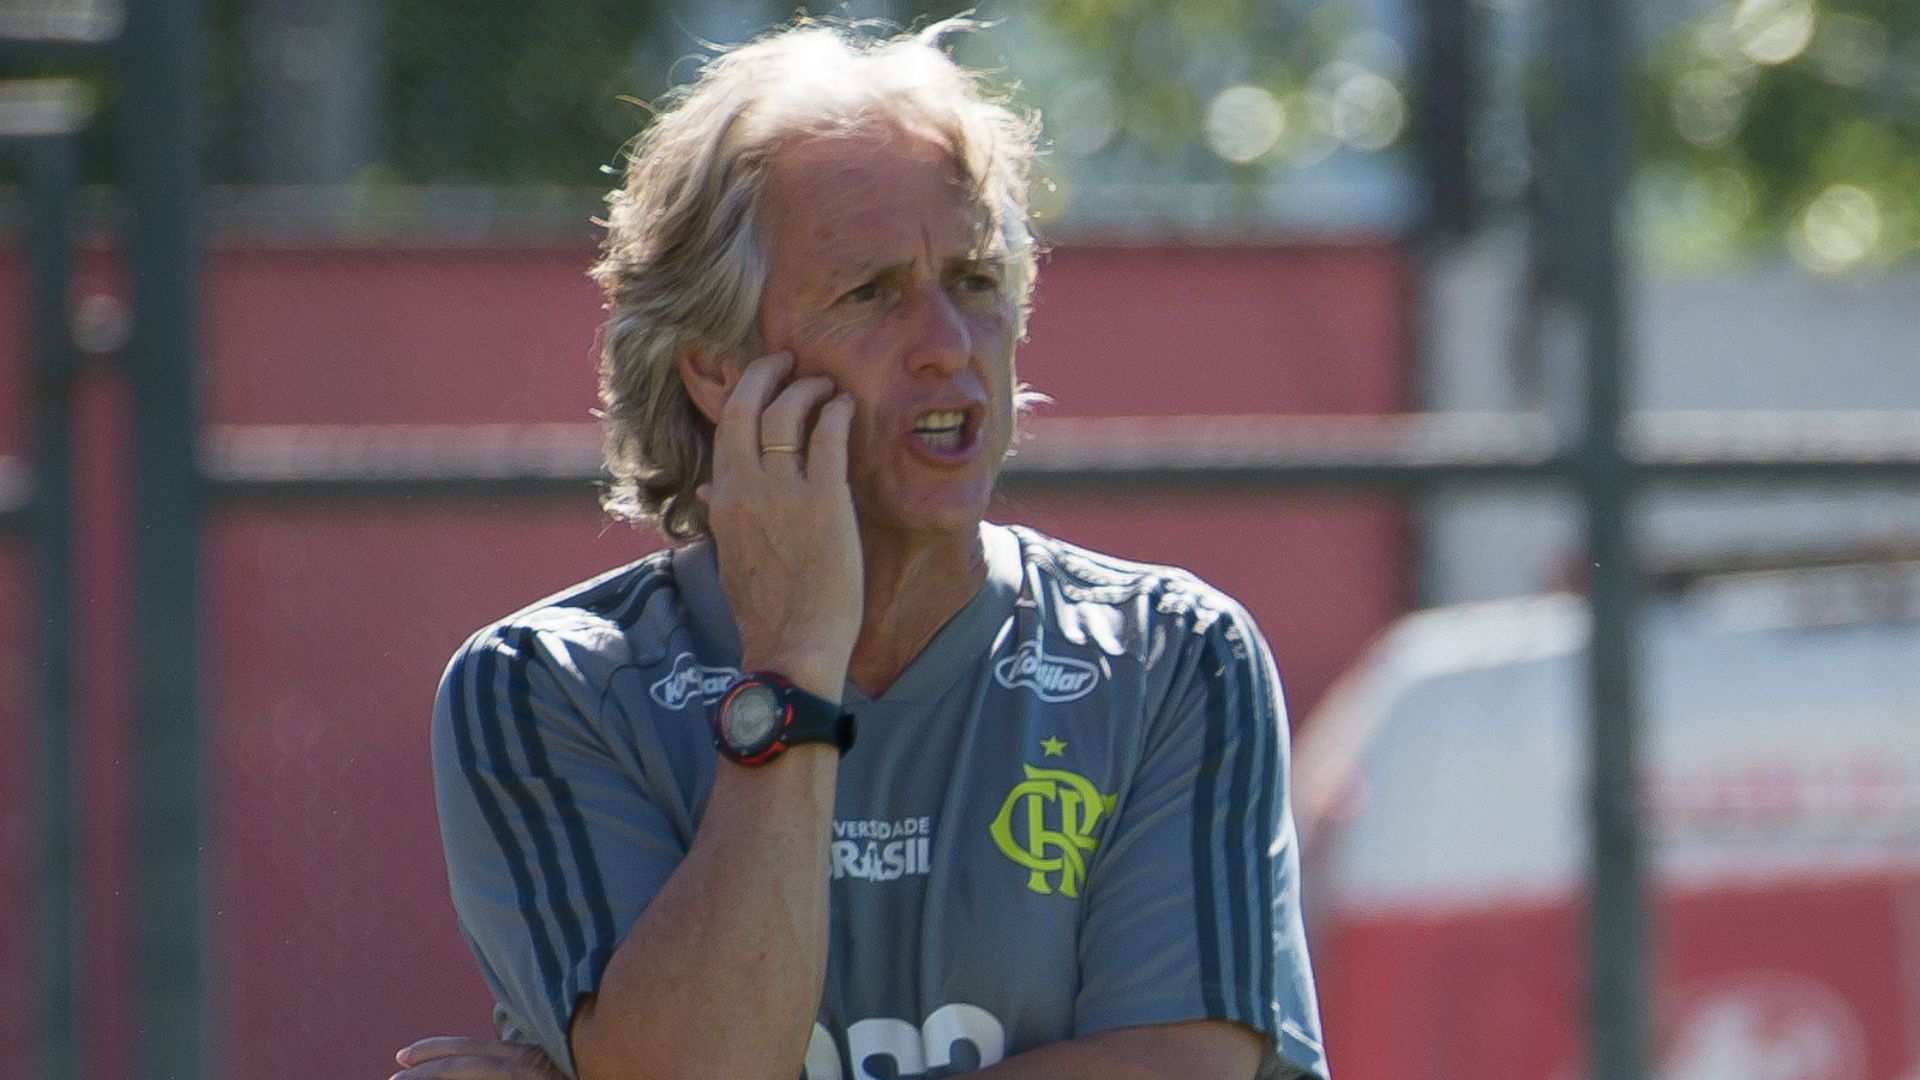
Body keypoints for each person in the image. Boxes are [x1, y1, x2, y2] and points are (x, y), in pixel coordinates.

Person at [394, 17, 1327, 1080]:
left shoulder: (1169, 657)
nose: (948, 345)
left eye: (976, 281)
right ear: (714, 366)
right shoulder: (546, 688)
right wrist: (791, 668)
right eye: (871, 292)